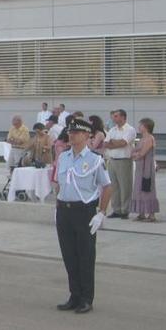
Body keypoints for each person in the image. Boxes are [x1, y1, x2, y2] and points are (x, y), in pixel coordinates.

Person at [53, 118, 112, 314]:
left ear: (87, 136)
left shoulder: (95, 159)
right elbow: (59, 183)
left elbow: (107, 186)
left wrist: (101, 213)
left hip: (84, 211)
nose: (71, 135)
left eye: (76, 132)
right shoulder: (64, 157)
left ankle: (86, 298)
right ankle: (74, 295)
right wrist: (57, 205)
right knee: (69, 255)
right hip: (64, 210)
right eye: (70, 132)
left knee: (85, 256)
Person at [104, 109, 137, 219]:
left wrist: (113, 142)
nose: (114, 118)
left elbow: (123, 143)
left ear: (123, 117)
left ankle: (125, 210)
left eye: (116, 116)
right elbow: (105, 143)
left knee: (125, 186)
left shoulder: (130, 129)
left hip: (124, 160)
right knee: (114, 186)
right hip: (112, 160)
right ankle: (116, 209)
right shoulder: (112, 129)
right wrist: (115, 143)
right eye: (114, 116)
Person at [130, 118, 159, 222]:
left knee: (147, 189)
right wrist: (134, 154)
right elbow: (134, 152)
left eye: (140, 125)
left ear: (146, 126)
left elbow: (142, 153)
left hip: (146, 168)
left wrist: (135, 155)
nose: (139, 127)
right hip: (139, 168)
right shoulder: (142, 138)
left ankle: (151, 215)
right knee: (138, 189)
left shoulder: (149, 138)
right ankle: (141, 213)